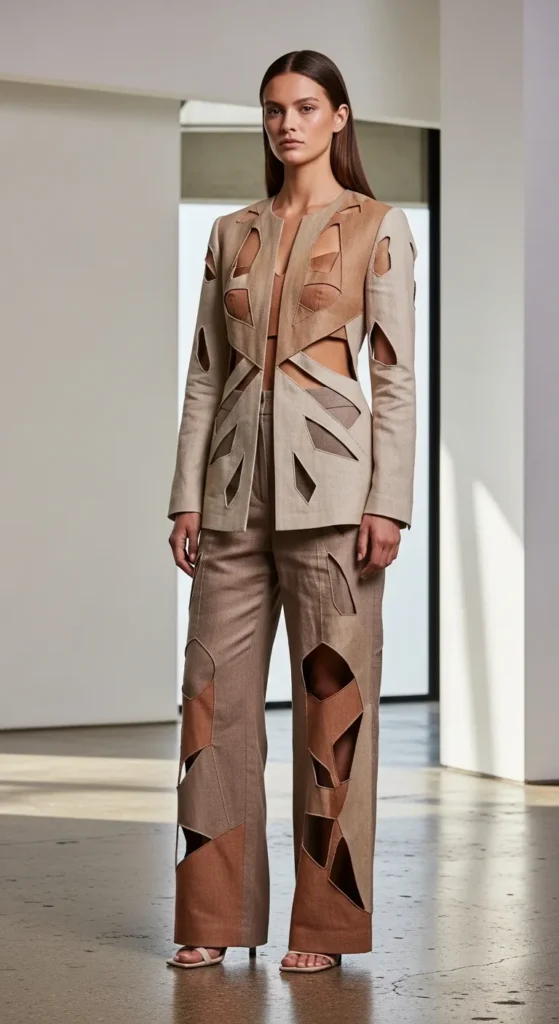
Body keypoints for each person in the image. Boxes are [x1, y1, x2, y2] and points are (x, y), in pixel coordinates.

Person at [166, 48, 418, 974]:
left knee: (333, 719)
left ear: (338, 117)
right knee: (211, 709)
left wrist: (388, 503)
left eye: (306, 107)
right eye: (274, 109)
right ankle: (211, 914)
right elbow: (205, 373)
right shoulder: (230, 232)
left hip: (337, 507)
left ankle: (325, 927)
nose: (287, 124)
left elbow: (394, 378)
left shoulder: (378, 226)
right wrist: (185, 497)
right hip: (232, 501)